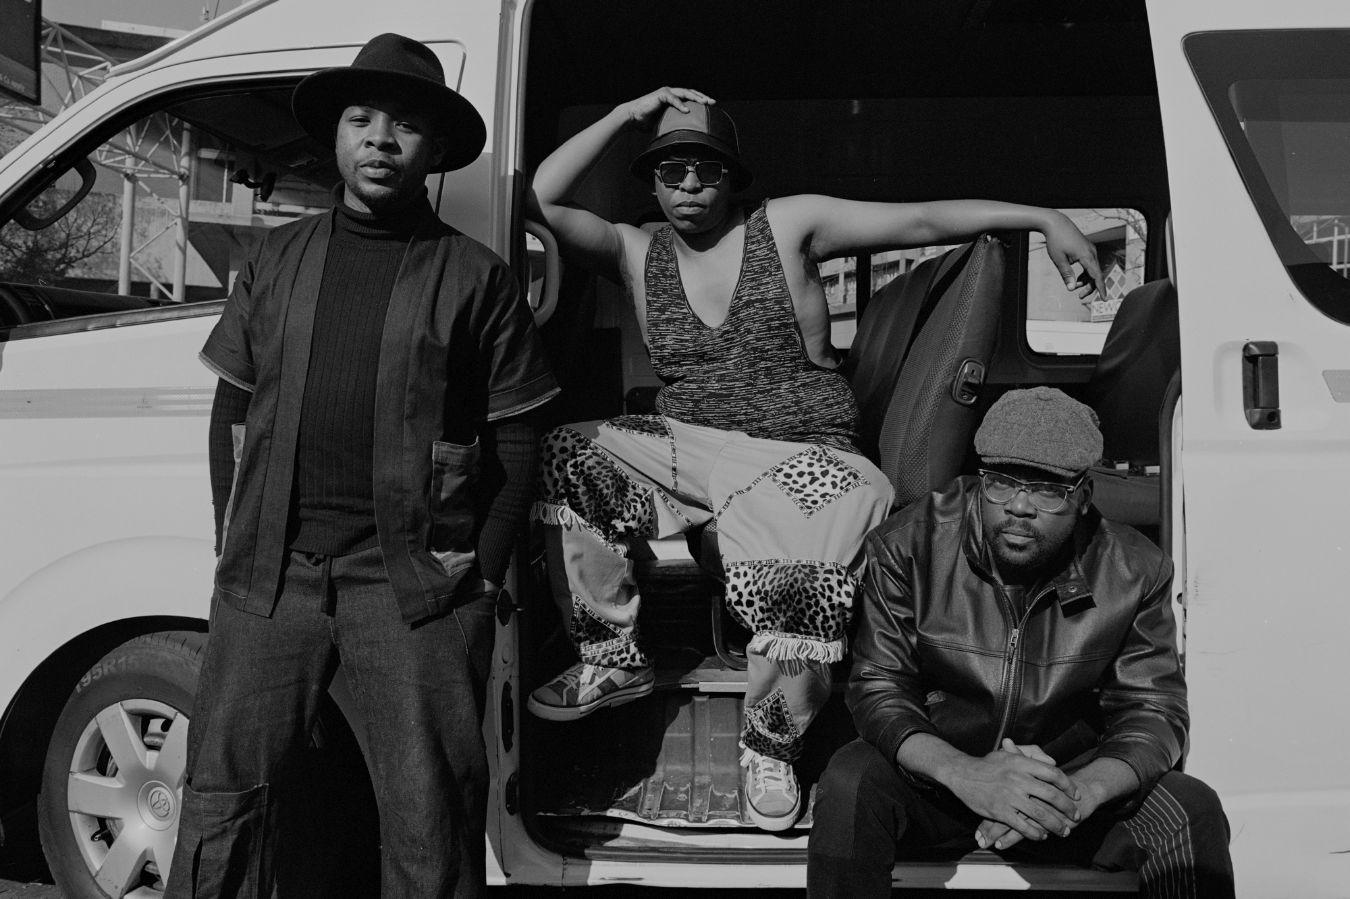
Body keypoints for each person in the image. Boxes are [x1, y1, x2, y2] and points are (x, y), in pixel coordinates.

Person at [525, 87, 1108, 833]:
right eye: (670, 172)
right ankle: (612, 654)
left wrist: (1043, 219)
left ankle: (770, 742)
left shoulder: (787, 223)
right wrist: (625, 113)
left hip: (803, 449)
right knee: (570, 451)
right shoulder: (637, 248)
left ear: (732, 175)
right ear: (654, 182)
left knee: (800, 577)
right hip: (691, 448)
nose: (689, 186)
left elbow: (923, 218)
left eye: (705, 169)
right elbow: (538, 198)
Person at [165, 33, 558, 898]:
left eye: (407, 125)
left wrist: (481, 580)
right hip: (270, 579)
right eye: (361, 118)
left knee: (431, 817)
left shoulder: (475, 277)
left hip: (413, 587)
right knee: (225, 799)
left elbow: (521, 437)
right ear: (337, 138)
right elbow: (233, 406)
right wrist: (236, 540)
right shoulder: (273, 259)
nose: (382, 138)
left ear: (438, 151)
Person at [806, 387, 1234, 897]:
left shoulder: (1134, 568)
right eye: (1002, 483)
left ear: (1082, 497)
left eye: (1048, 490)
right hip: (940, 780)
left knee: (1190, 808)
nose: (1020, 506)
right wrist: (967, 775)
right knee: (851, 781)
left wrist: (1081, 792)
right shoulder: (910, 543)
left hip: (1062, 785)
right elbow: (878, 688)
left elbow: (1153, 710)